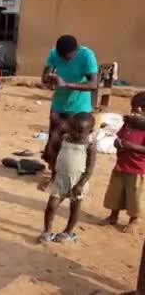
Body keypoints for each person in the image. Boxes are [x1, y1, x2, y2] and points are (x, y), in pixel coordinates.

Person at [41, 35, 98, 175]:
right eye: (62, 56)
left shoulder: (86, 55)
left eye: (68, 56)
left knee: (74, 145)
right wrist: (48, 78)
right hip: (58, 106)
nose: (64, 59)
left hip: (79, 108)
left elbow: (93, 84)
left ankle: (76, 176)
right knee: (54, 142)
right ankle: (54, 175)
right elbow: (44, 76)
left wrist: (66, 84)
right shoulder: (54, 53)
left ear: (76, 50)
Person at [37, 113, 96, 243]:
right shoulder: (64, 139)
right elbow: (58, 159)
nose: (75, 133)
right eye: (72, 128)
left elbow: (90, 169)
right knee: (51, 206)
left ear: (90, 132)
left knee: (74, 208)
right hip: (61, 179)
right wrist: (52, 177)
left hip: (78, 181)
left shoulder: (89, 146)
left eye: (80, 131)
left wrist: (81, 184)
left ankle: (68, 232)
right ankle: (47, 231)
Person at [101, 92, 145, 233]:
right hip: (121, 165)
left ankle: (134, 220)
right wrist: (117, 143)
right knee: (116, 192)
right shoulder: (129, 124)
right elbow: (118, 137)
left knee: (135, 196)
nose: (135, 111)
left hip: (138, 168)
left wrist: (131, 146)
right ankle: (113, 216)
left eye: (138, 108)